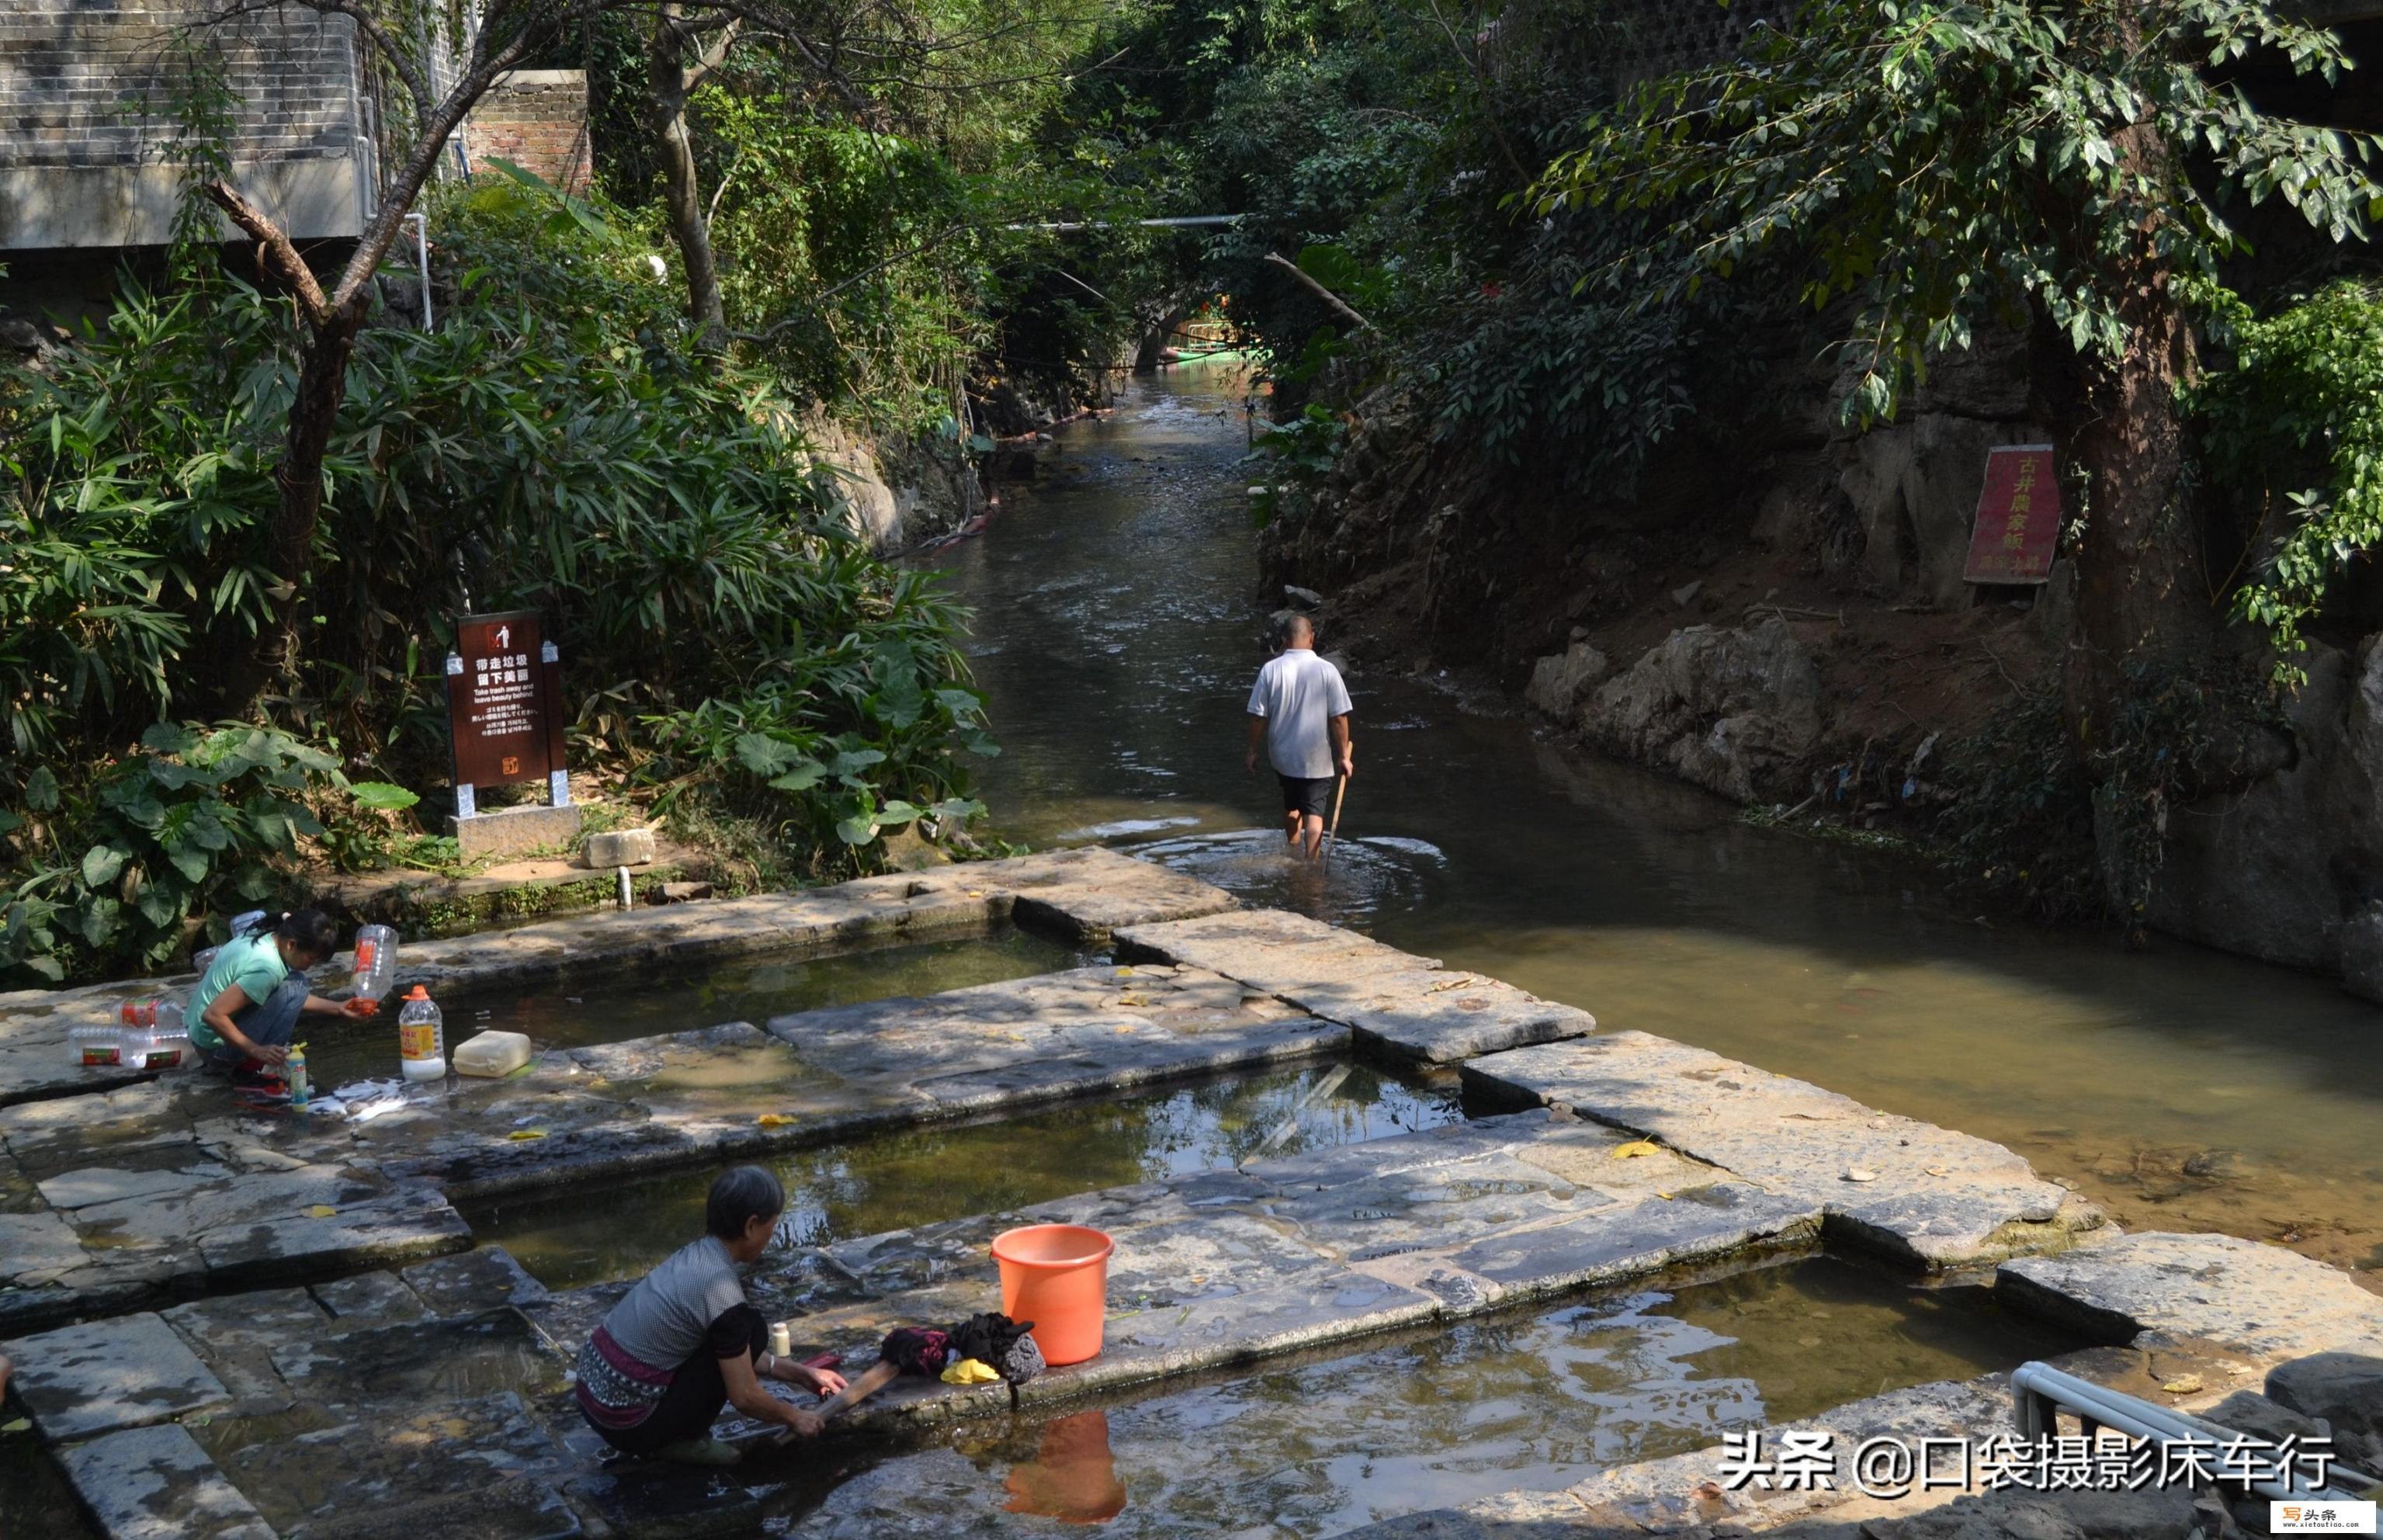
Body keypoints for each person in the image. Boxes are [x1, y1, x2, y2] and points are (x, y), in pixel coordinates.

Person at [575, 1166, 848, 1465]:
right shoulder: (721, 1293)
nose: (773, 1232)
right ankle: (678, 1441)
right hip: (630, 1424)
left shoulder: (695, 1255)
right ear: (751, 1226)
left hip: (593, 1398)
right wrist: (795, 1416)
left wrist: (803, 1374)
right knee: (752, 1328)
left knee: (740, 1333)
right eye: (773, 1223)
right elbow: (744, 1396)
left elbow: (728, 1356)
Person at [187, 909, 374, 1087]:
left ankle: (247, 1064)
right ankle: (246, 1071)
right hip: (216, 1051)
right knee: (297, 983)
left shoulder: (265, 936)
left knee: (295, 985)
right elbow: (212, 1015)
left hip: (201, 1040)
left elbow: (287, 997)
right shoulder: (267, 969)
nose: (311, 966)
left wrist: (338, 1008)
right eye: (310, 959)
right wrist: (256, 1050)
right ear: (292, 944)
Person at [1244, 612, 1354, 859]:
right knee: (1314, 814)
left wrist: (1252, 751)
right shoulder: (1327, 670)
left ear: (1284, 640)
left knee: (1292, 805)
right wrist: (1344, 755)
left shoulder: (1270, 670)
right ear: (1312, 638)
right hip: (1315, 756)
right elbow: (1338, 718)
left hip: (1282, 755)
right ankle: (1311, 865)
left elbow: (1258, 717)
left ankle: (1292, 850)